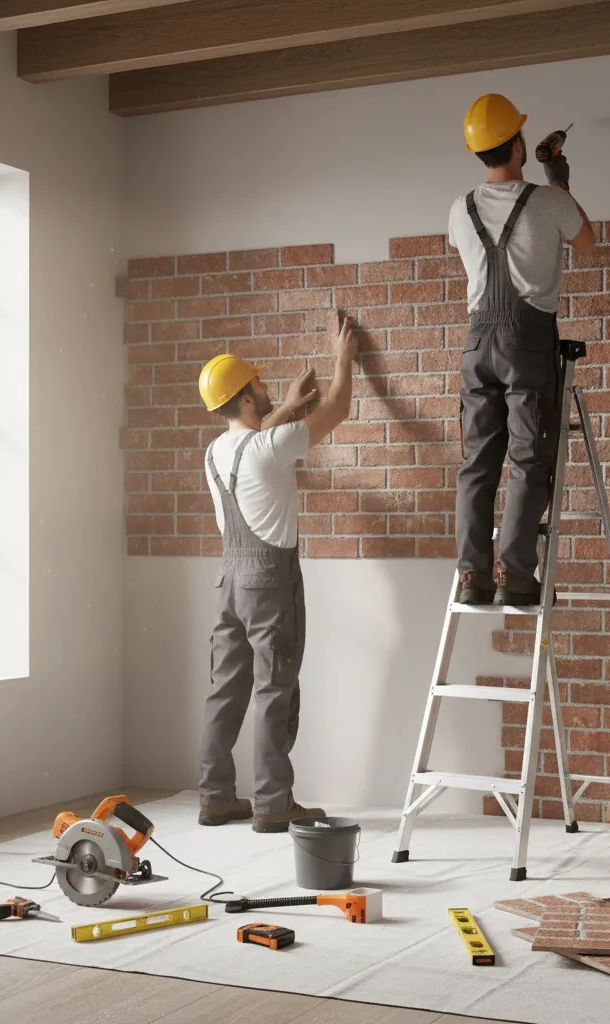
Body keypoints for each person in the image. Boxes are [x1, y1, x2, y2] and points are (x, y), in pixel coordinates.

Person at [196, 310, 358, 832]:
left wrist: (286, 406)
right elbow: (337, 408)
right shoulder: (269, 446)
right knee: (274, 688)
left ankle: (216, 797)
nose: (266, 386)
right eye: (259, 383)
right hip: (270, 583)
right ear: (245, 397)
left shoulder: (215, 452)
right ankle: (272, 804)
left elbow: (257, 443)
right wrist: (343, 357)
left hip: (229, 584)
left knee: (226, 689)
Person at [449, 93, 597, 607]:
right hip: (526, 340)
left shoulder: (458, 209)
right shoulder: (548, 200)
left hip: (476, 342)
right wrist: (557, 177)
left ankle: (473, 576)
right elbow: (588, 241)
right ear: (517, 143)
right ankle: (515, 574)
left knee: (476, 463)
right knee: (529, 457)